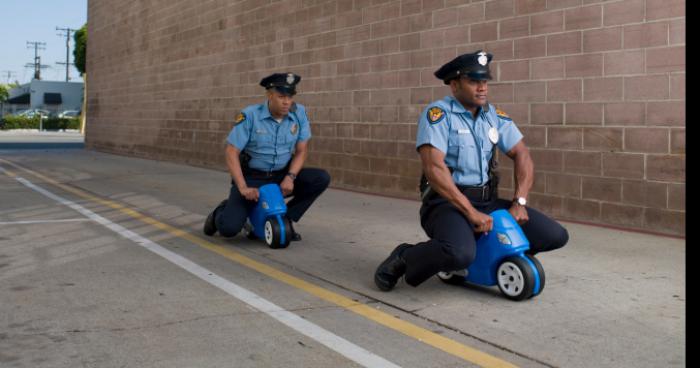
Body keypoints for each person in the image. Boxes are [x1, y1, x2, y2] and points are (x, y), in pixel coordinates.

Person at [374, 51, 569, 291]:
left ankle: (480, 259)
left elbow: (522, 154)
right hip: (446, 204)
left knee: (554, 235)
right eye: (474, 81)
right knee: (457, 252)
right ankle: (406, 256)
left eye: (485, 81)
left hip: (487, 202)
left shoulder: (494, 116)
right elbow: (434, 169)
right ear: (455, 85)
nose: (482, 88)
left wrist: (519, 201)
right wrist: (469, 212)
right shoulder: (438, 115)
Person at [203, 72, 330, 241]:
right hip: (252, 178)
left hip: (281, 175)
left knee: (320, 178)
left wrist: (290, 177)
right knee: (229, 228)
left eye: (290, 96)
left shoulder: (299, 113)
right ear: (269, 95)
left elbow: (301, 151)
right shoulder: (250, 115)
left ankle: (285, 219)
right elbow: (231, 152)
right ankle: (220, 212)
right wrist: (242, 188)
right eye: (281, 96)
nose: (287, 102)